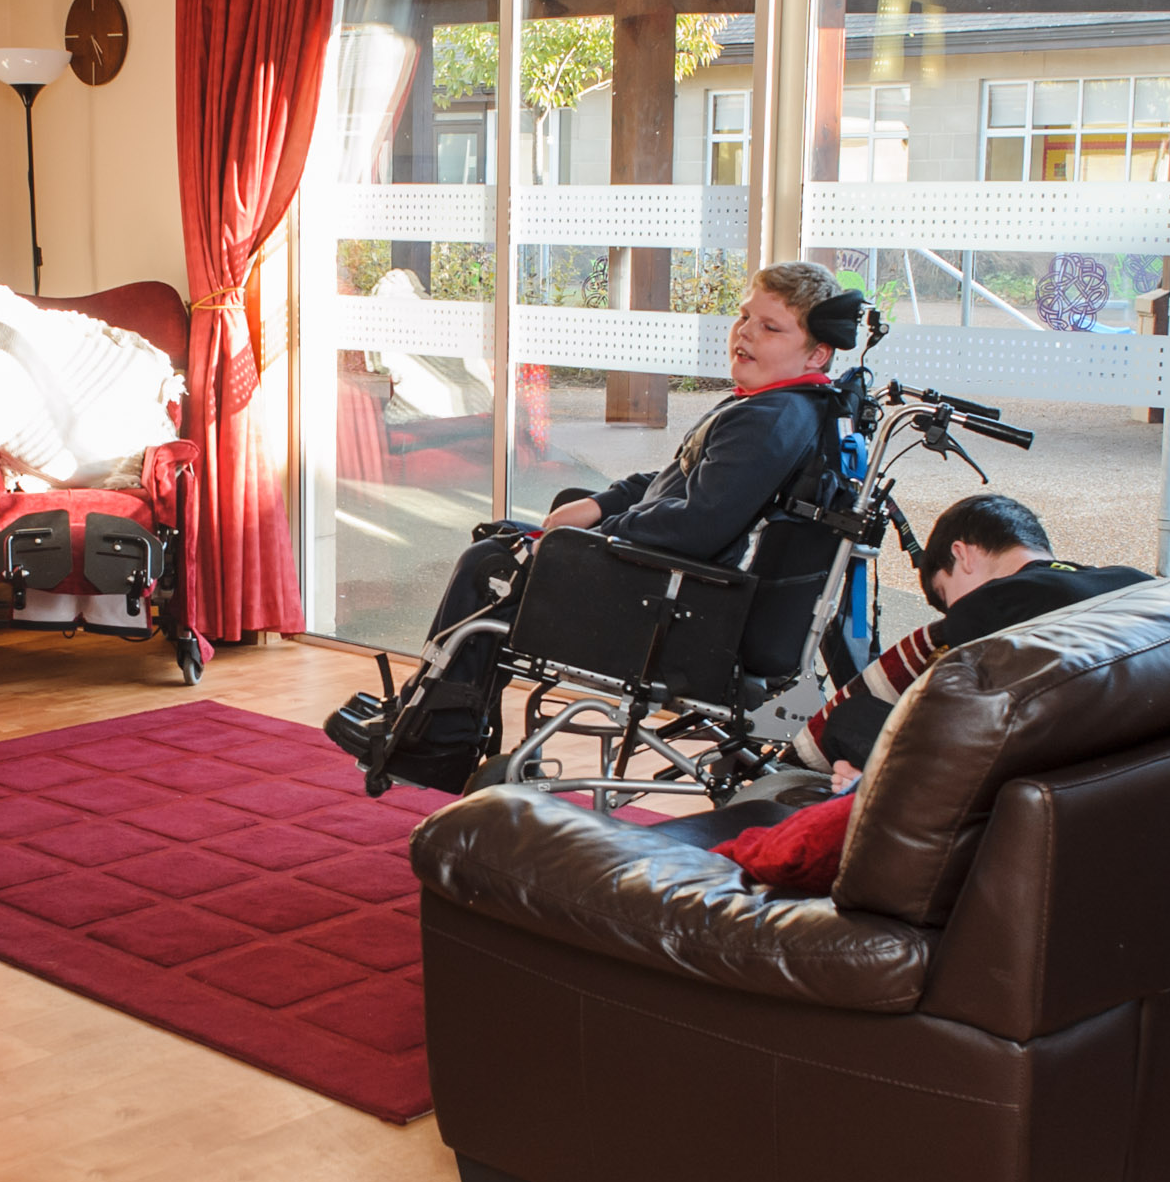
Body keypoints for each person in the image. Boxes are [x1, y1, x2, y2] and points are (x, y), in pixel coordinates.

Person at [328, 259, 862, 793]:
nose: (744, 333)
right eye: (744, 317)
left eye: (770, 327)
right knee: (503, 543)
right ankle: (429, 722)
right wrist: (599, 505)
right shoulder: (779, 406)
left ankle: (435, 739)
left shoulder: (770, 419)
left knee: (490, 563)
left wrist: (600, 535)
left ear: (817, 353)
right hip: (677, 594)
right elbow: (673, 481)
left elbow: (696, 527)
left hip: (674, 611)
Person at [794, 492, 1149, 789]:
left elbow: (949, 723)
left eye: (945, 595)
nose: (952, 613)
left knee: (851, 717)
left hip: (1030, 775)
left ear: (961, 554)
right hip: (1132, 766)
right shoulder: (1134, 581)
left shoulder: (985, 606)